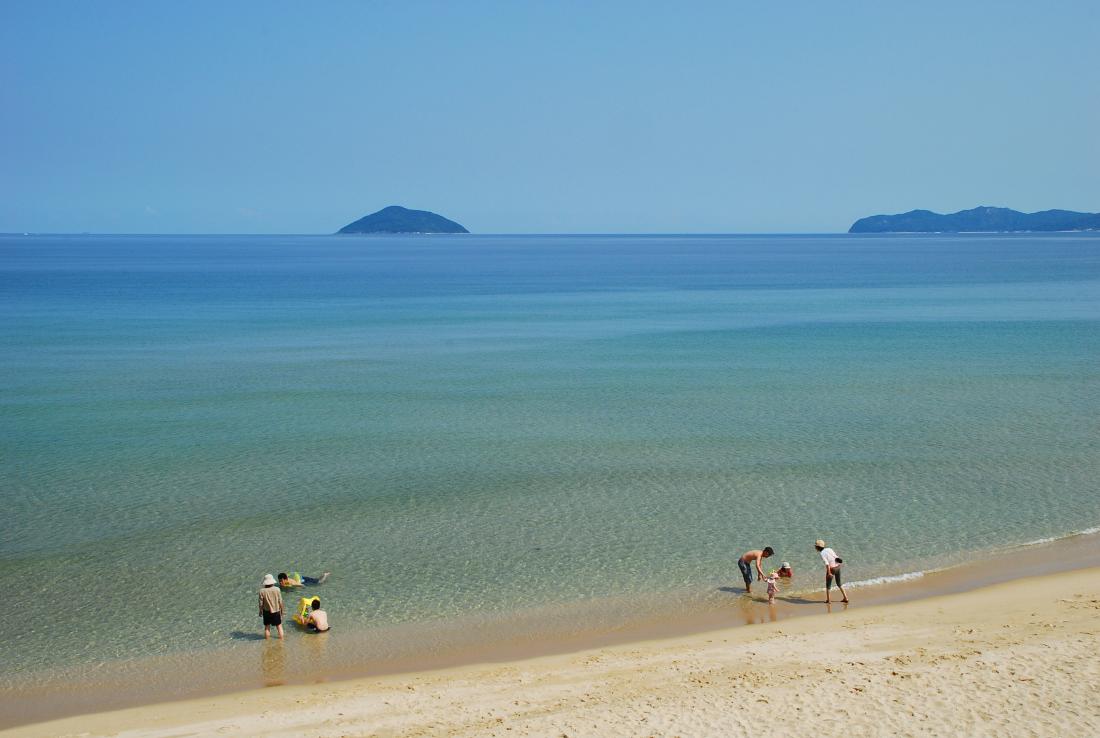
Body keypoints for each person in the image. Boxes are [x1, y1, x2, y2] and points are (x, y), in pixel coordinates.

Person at [814, 539, 849, 604]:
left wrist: (829, 573)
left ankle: (828, 600)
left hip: (832, 569)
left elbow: (827, 563)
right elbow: (836, 557)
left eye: (815, 546)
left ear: (817, 547)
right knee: (839, 583)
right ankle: (845, 598)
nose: (815, 547)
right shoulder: (829, 549)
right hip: (838, 567)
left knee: (828, 585)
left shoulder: (822, 553)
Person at [258, 573, 285, 640]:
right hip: (276, 611)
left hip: (266, 611)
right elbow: (280, 601)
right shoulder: (277, 589)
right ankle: (281, 641)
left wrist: (260, 611)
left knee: (267, 627)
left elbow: (261, 603)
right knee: (279, 626)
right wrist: (282, 611)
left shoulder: (262, 591)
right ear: (272, 582)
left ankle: (267, 642)